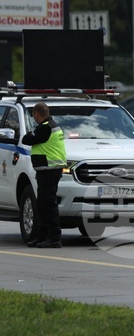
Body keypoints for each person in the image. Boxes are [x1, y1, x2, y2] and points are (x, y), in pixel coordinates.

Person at [22, 102, 66, 248]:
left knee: (48, 204)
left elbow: (26, 139)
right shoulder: (53, 126)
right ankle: (41, 237)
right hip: (49, 170)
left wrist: (30, 133)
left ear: (36, 114)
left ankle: (54, 238)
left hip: (49, 170)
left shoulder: (45, 128)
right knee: (42, 204)